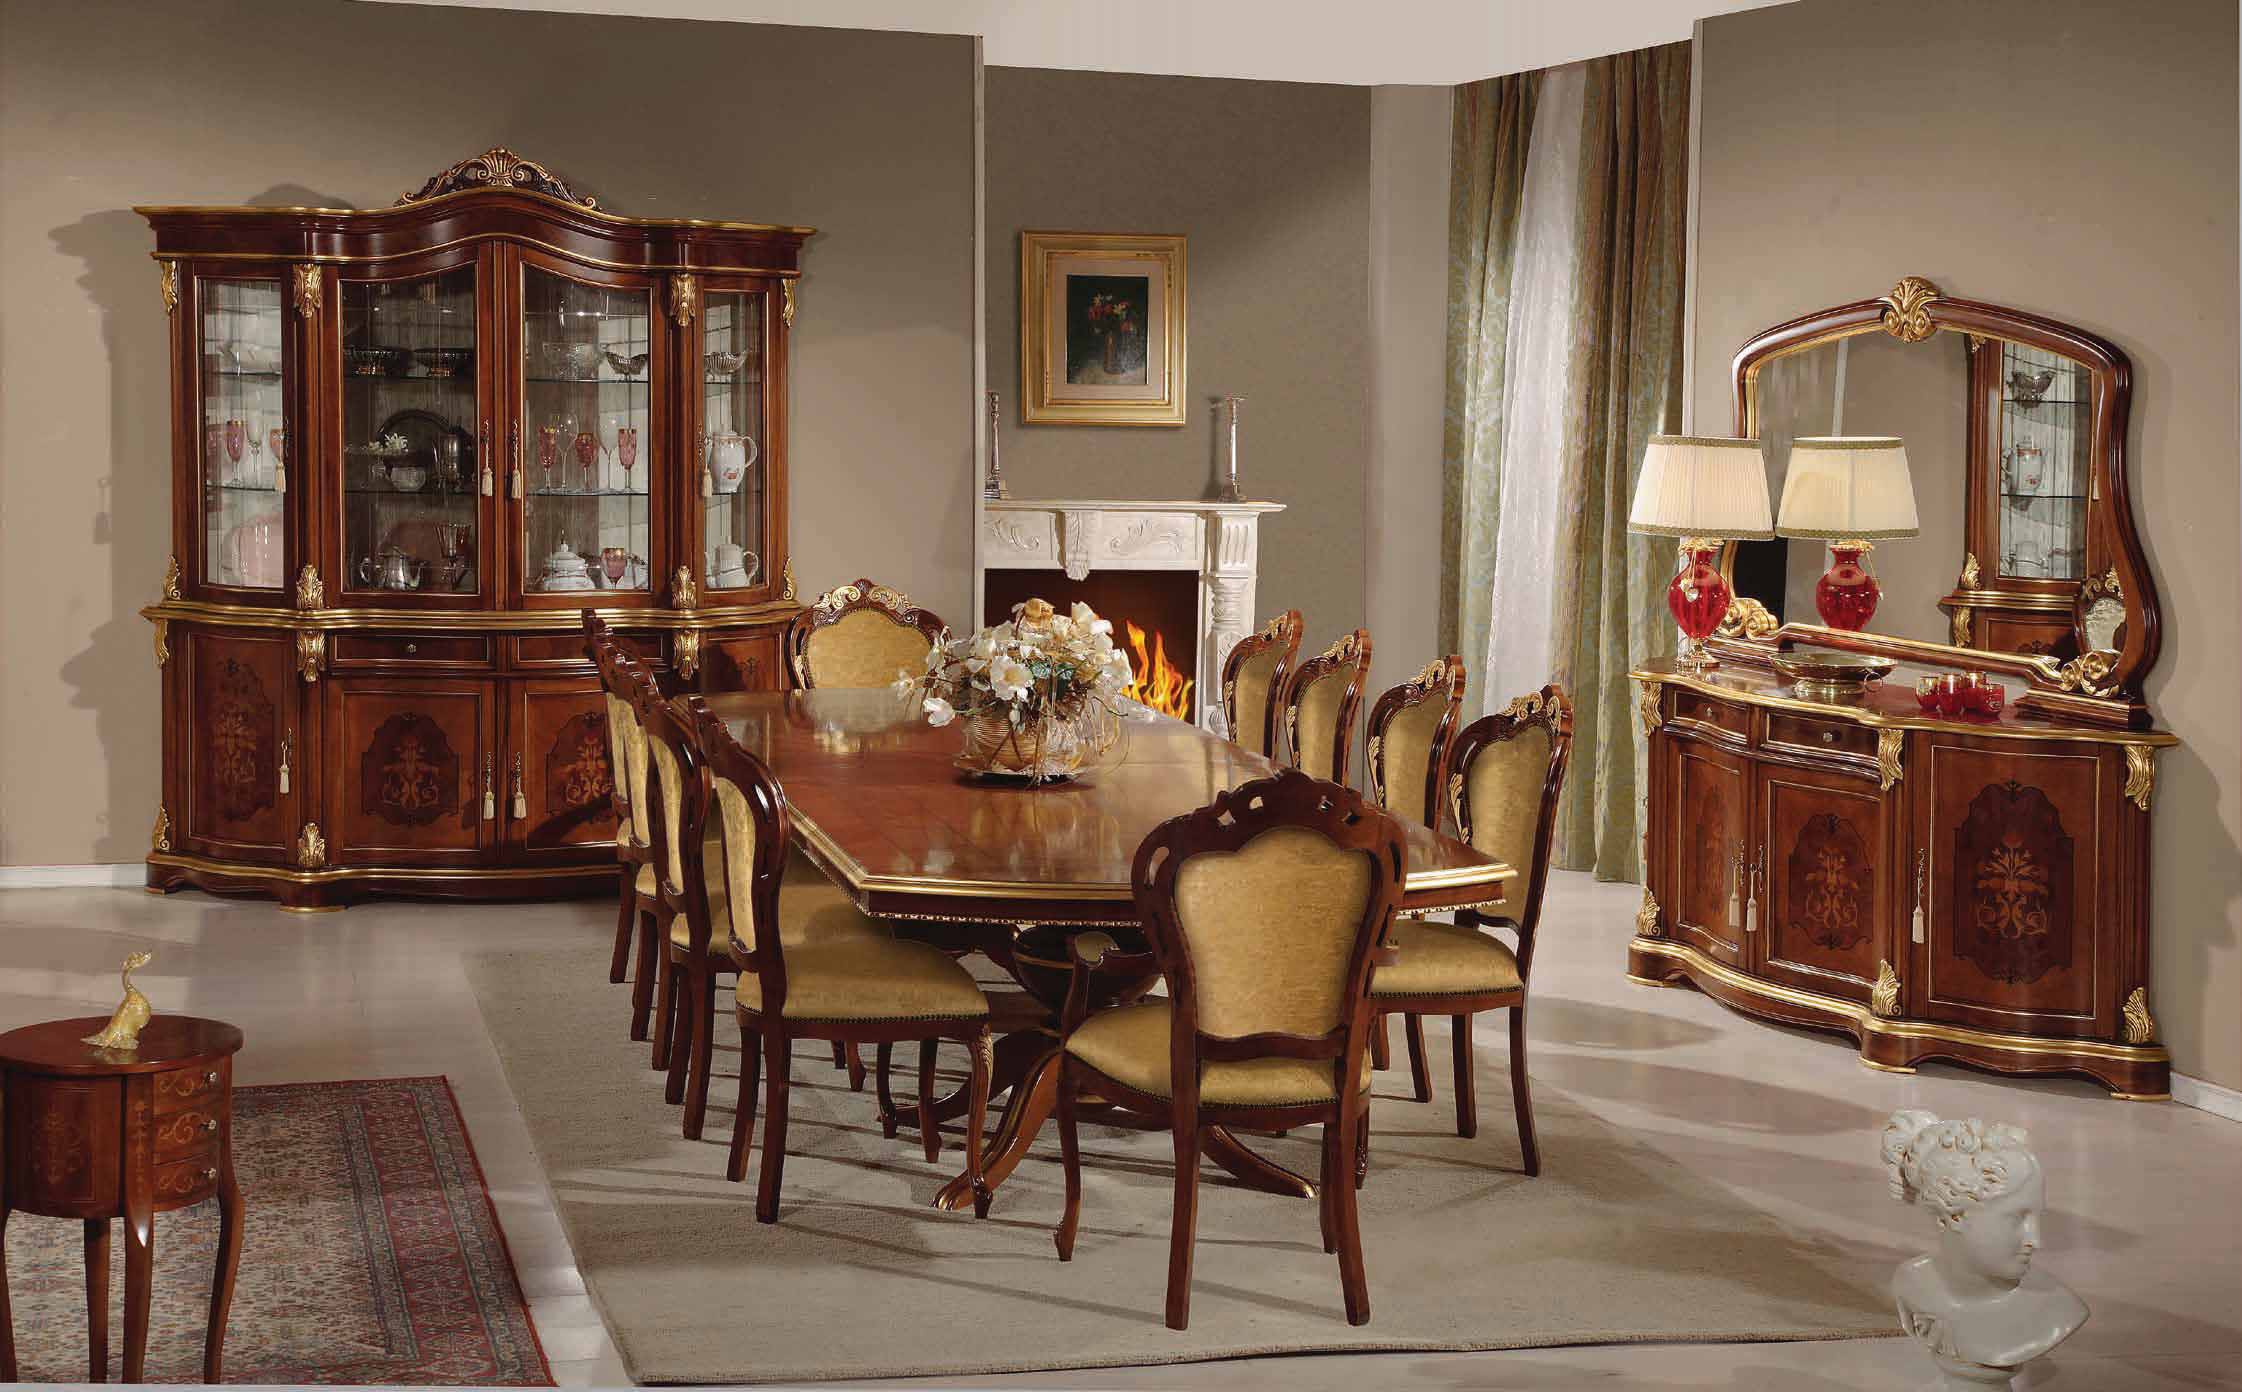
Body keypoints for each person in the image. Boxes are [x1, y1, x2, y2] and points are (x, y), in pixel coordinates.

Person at [1880, 1110, 2088, 1389]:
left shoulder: (2056, 1309)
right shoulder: (1912, 1282)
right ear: (1954, 1216)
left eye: (2036, 1217)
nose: (2035, 1239)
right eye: (2016, 1218)